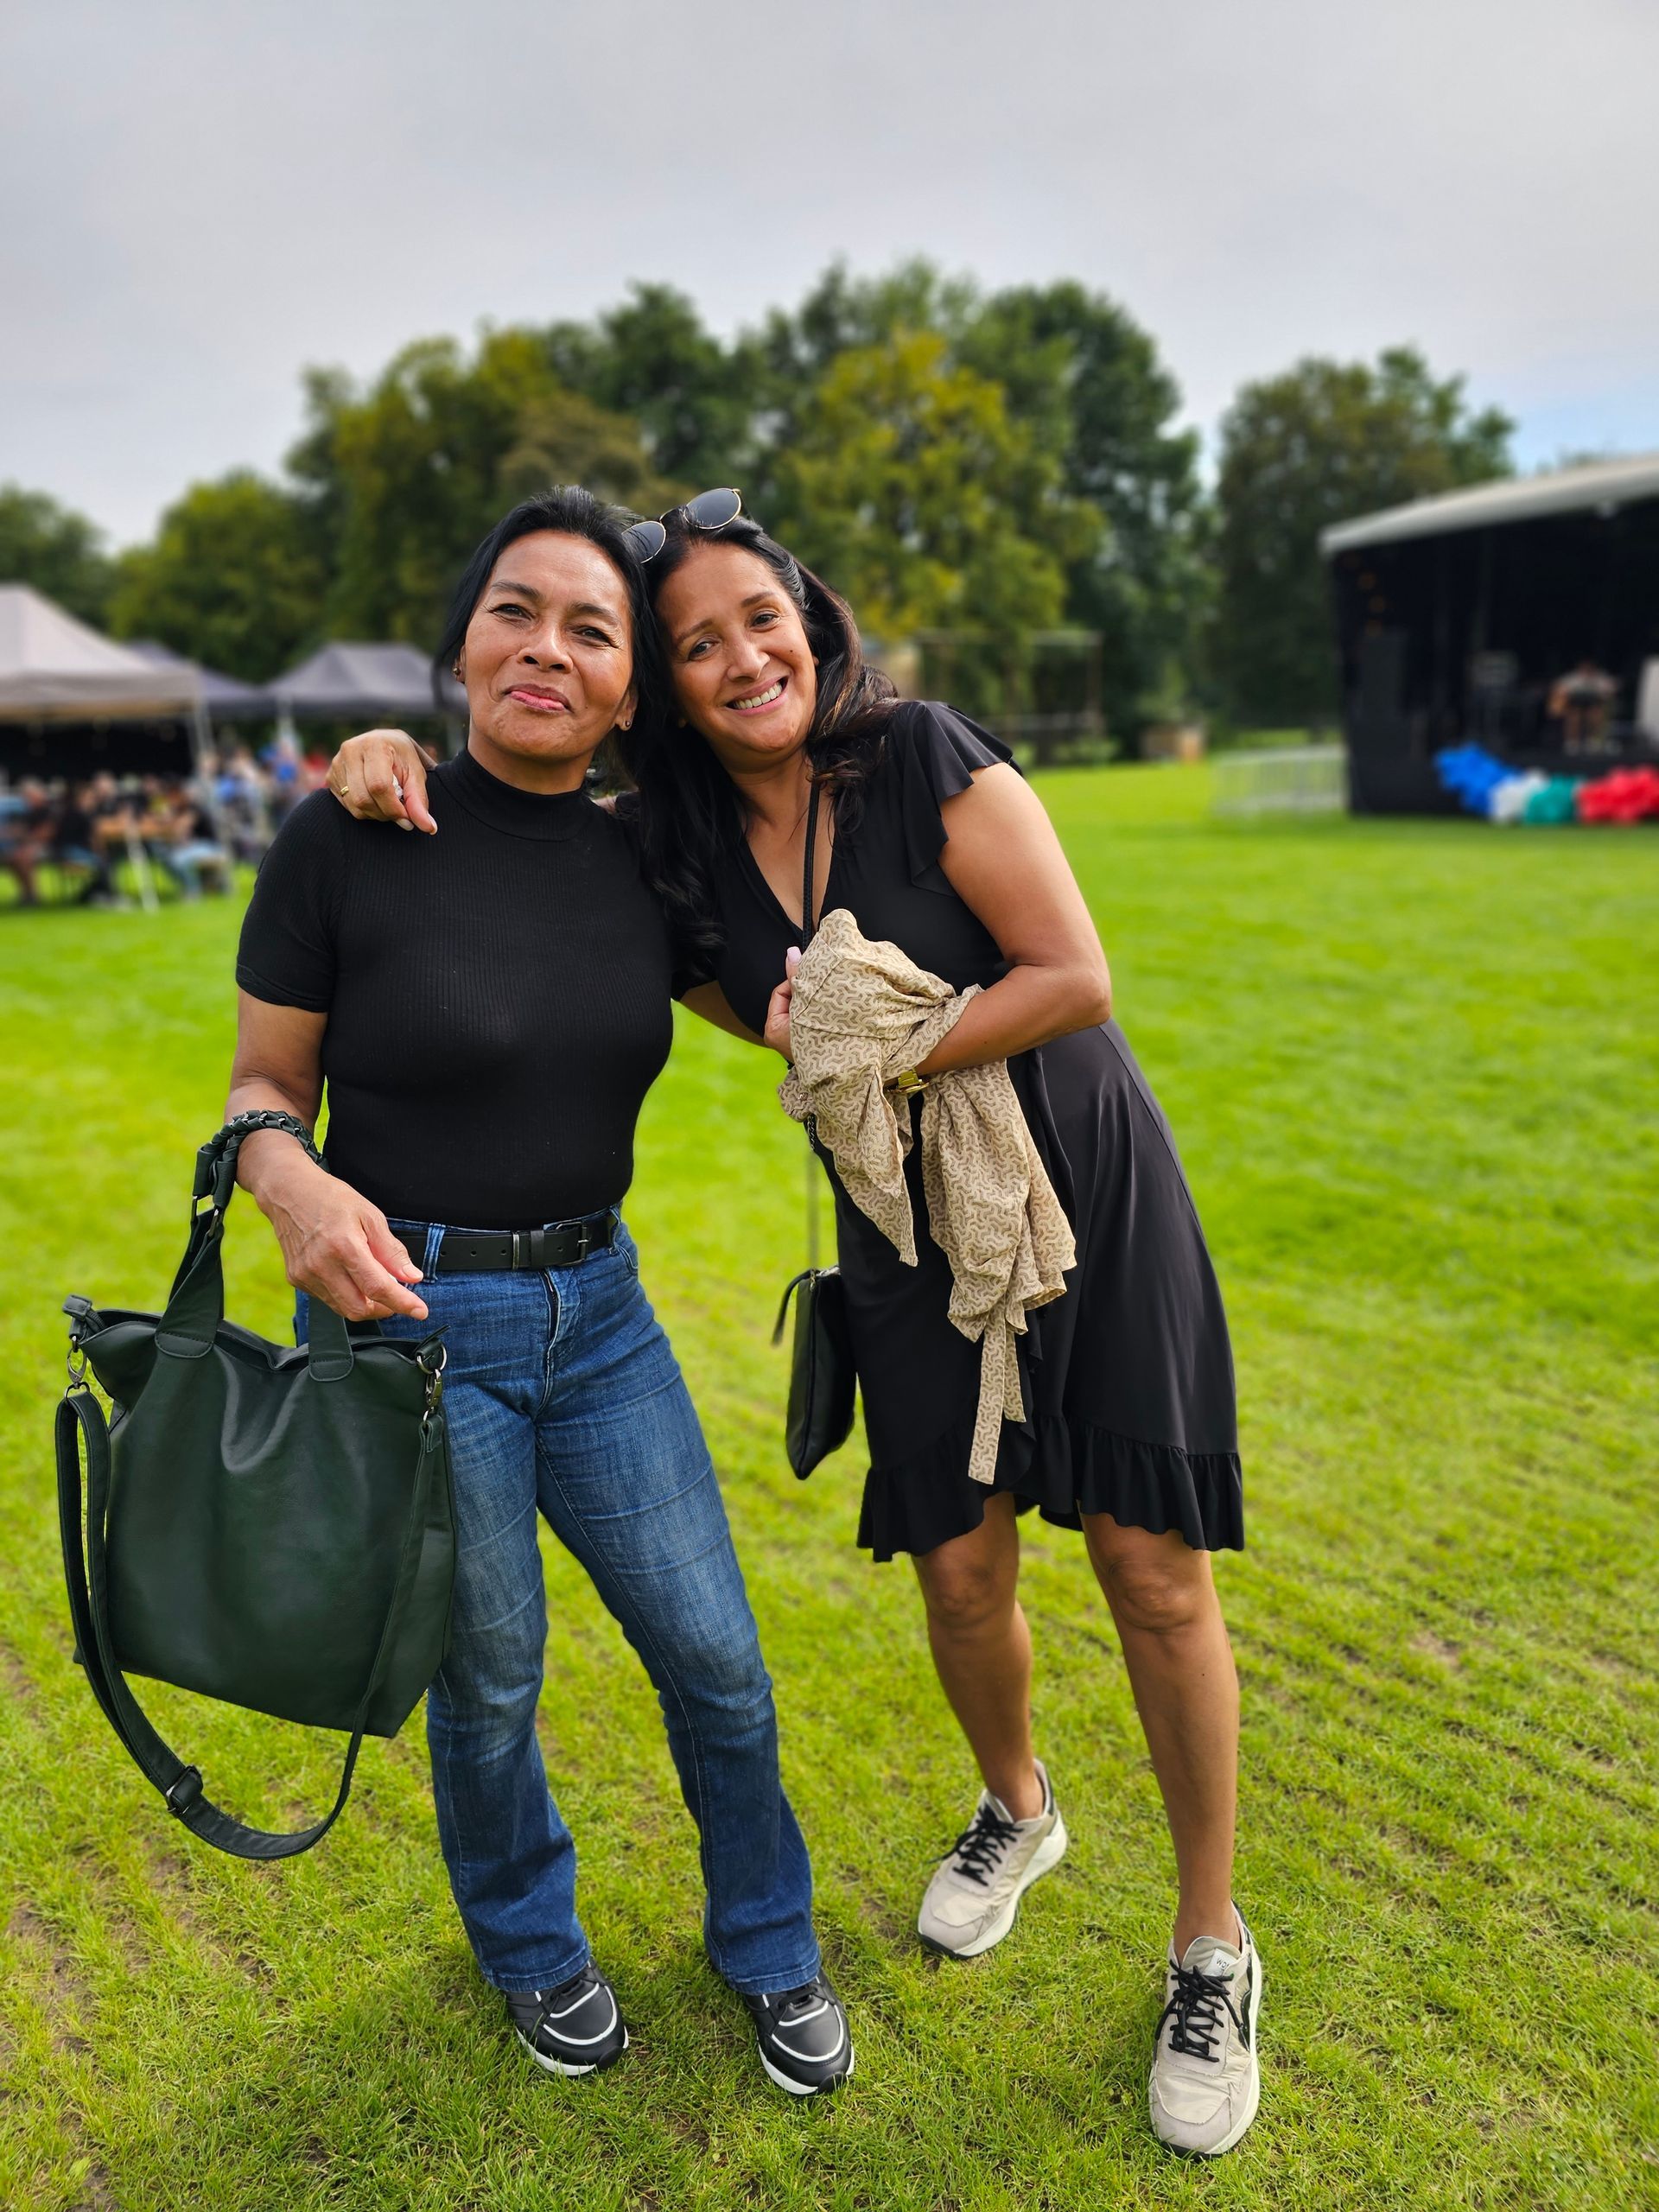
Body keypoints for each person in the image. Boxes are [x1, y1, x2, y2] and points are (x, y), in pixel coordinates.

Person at [331, 493, 1260, 2158]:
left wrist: (863, 1047)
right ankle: (1018, 1811)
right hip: (897, 1219)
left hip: (1074, 1180)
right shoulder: (675, 844)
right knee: (961, 1568)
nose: (741, 655)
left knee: (1145, 1566)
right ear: (668, 693)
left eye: (760, 617)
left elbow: (1073, 974)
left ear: (811, 621)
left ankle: (1210, 1945)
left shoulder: (920, 757)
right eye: (695, 643)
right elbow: (657, 941)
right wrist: (376, 744)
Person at [229, 487, 851, 2098]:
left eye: (594, 630)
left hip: (606, 1314)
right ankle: (529, 1943)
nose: (550, 650)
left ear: (629, 691)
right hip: (412, 1328)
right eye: (518, 610)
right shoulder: (346, 833)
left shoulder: (644, 856)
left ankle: (771, 1943)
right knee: (489, 1678)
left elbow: (780, 989)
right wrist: (284, 1179)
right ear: (460, 645)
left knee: (715, 1655)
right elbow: (254, 1094)